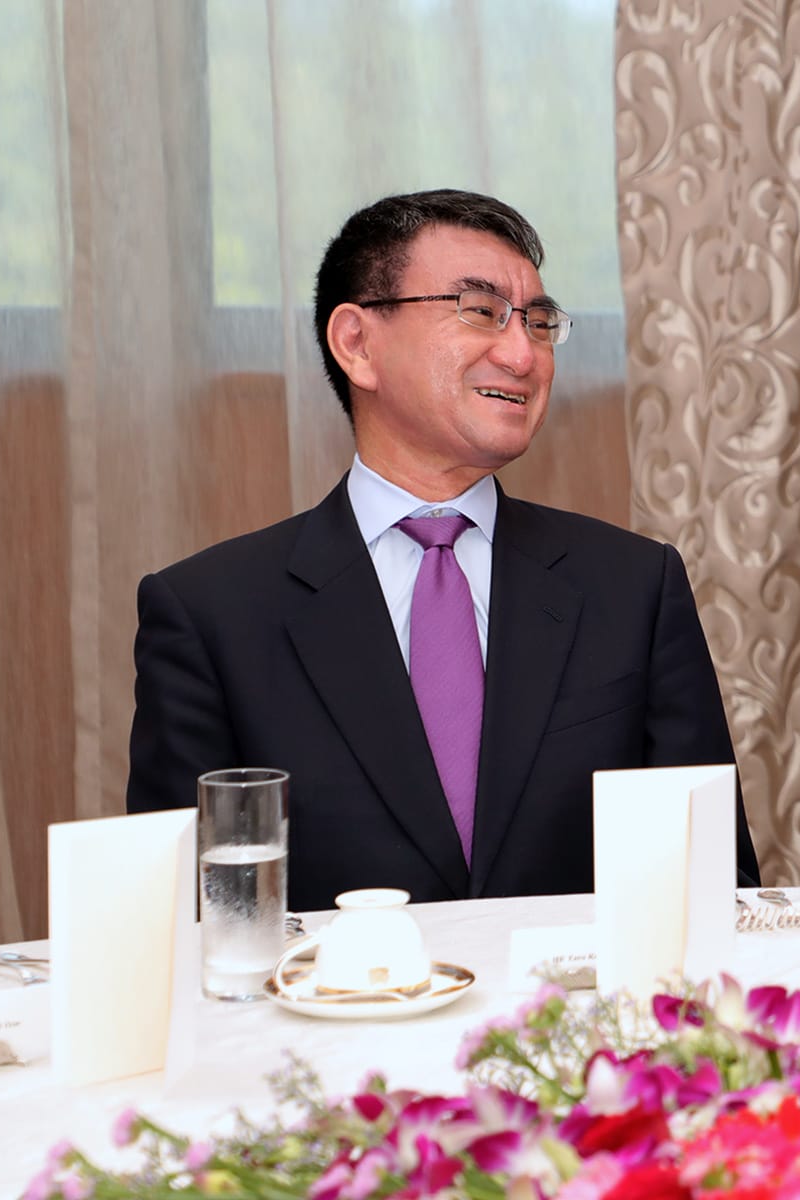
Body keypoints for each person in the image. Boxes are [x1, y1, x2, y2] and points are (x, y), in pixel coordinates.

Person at [128, 189, 761, 911]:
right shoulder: (212, 614)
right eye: (481, 311)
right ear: (357, 344)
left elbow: (720, 891)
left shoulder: (633, 587)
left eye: (540, 322)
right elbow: (182, 923)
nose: (524, 354)